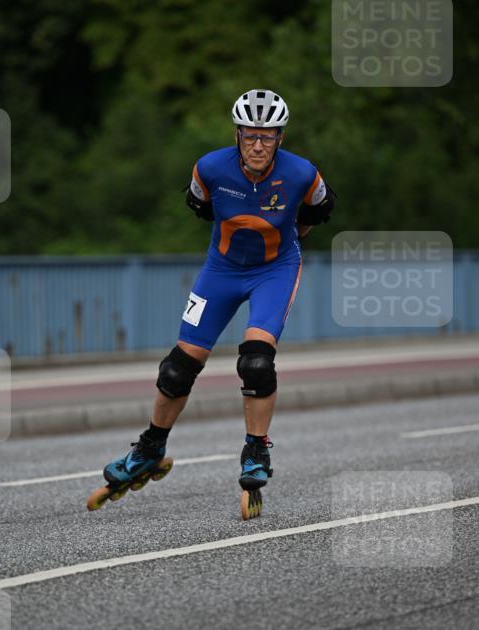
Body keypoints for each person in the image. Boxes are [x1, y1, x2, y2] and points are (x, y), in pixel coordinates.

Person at [98, 89, 335, 503]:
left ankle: (256, 450)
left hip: (274, 271)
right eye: (249, 135)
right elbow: (201, 206)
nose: (257, 145)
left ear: (280, 137)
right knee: (177, 368)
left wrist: (294, 236)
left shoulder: (301, 173)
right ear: (237, 134)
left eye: (267, 136)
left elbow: (321, 208)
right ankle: (150, 448)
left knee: (256, 362)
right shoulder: (209, 168)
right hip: (221, 270)